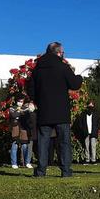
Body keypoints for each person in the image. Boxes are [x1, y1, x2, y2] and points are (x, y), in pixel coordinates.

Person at [26, 42, 83, 177]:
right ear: (58, 53)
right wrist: (79, 77)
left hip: (44, 111)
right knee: (64, 143)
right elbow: (74, 84)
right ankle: (66, 171)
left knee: (43, 142)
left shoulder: (37, 69)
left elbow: (30, 89)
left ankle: (41, 171)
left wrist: (37, 100)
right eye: (63, 53)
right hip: (61, 111)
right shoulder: (63, 67)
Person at [73, 100, 100, 164]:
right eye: (89, 105)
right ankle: (87, 159)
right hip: (86, 132)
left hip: (93, 131)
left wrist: (98, 127)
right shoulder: (83, 114)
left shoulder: (96, 113)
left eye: (92, 105)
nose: (91, 106)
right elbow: (80, 123)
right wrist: (82, 129)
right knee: (86, 146)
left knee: (93, 145)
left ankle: (93, 159)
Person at [9, 96, 33, 169]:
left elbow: (27, 116)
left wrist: (19, 113)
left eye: (22, 101)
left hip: (23, 128)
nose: (20, 103)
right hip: (15, 128)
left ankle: (27, 162)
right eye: (19, 101)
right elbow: (13, 115)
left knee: (25, 145)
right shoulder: (12, 108)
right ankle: (14, 163)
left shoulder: (25, 108)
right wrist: (20, 113)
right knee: (14, 145)